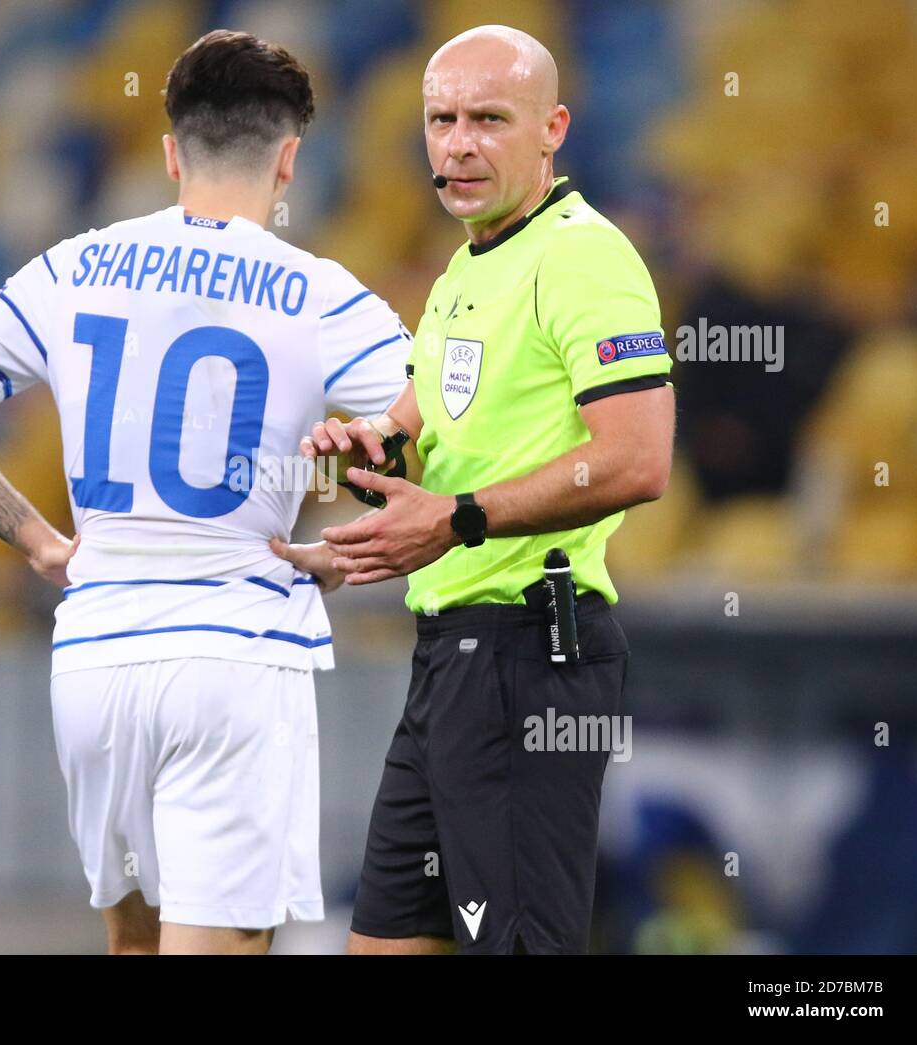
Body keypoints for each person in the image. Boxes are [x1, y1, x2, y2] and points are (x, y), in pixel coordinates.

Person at [0, 30, 410, 955]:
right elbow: (445, 422)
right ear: (289, 161)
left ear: (171, 153)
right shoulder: (320, 294)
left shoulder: (74, 266)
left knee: (134, 944)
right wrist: (366, 521)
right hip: (231, 655)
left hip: (95, 657)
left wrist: (41, 541)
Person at [289, 25, 676, 954]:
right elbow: (427, 411)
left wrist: (456, 520)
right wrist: (366, 445)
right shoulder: (470, 265)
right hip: (452, 660)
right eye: (441, 120)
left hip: (528, 658)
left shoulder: (585, 257)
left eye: (489, 120)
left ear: (554, 128)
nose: (458, 144)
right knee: (381, 944)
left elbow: (638, 458)